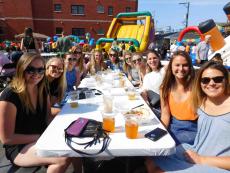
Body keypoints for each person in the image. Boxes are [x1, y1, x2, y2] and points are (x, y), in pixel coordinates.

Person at [146, 61, 230, 173]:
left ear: (226, 80)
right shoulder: (203, 100)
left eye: (218, 79)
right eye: (205, 80)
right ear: (199, 83)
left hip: (216, 164)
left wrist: (201, 159)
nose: (211, 83)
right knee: (150, 158)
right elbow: (180, 90)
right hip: (196, 151)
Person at [0, 53, 72, 172]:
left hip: (41, 137)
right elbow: (7, 138)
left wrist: (64, 127)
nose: (36, 74)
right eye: (31, 69)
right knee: (62, 158)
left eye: (40, 70)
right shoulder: (10, 96)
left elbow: (48, 116)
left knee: (72, 146)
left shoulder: (42, 89)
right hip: (19, 147)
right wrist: (42, 136)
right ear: (21, 69)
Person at [160, 51, 197, 145]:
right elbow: (165, 115)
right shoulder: (165, 88)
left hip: (193, 128)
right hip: (173, 126)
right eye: (177, 65)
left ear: (190, 67)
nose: (181, 69)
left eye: (185, 65)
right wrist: (160, 132)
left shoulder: (197, 86)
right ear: (171, 67)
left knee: (163, 148)